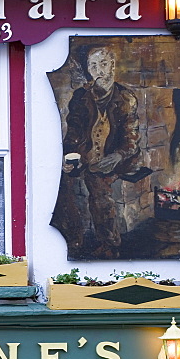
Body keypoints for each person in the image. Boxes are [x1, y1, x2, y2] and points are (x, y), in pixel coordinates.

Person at [51, 46, 140, 260]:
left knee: (99, 192)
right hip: (84, 155)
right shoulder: (81, 96)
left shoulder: (125, 98)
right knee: (61, 185)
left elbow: (132, 138)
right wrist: (69, 155)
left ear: (112, 66)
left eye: (103, 64)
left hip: (115, 157)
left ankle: (109, 244)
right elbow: (74, 130)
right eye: (93, 65)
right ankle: (72, 239)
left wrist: (117, 156)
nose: (98, 70)